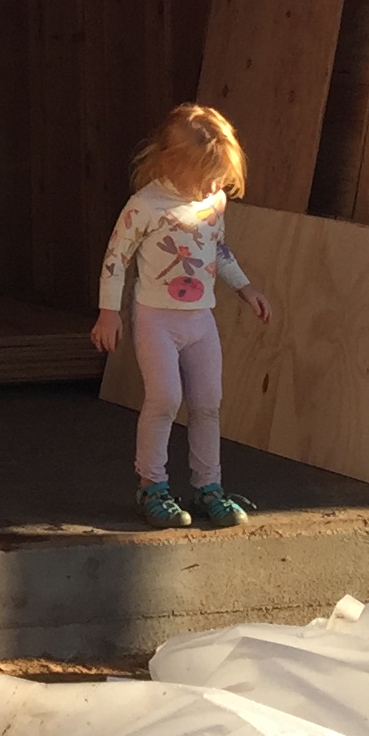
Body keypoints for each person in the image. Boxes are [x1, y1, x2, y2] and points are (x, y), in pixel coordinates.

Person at [91, 103, 274, 530]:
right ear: (173, 163)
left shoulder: (214, 201)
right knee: (165, 399)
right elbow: (116, 258)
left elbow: (219, 250)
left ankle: (209, 486)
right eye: (206, 174)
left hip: (200, 320)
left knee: (208, 402)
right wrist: (108, 313)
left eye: (219, 176)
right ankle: (151, 484)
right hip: (157, 320)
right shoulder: (146, 205)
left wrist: (245, 288)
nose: (214, 184)